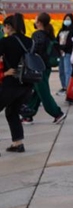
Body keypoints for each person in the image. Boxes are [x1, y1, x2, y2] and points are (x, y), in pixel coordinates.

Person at [0, 13, 35, 153]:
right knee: (12, 111)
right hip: (27, 84)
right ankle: (18, 143)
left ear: (8, 26)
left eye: (4, 27)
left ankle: (18, 143)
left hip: (10, 83)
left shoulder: (5, 42)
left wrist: (3, 73)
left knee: (11, 111)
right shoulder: (30, 41)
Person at [23, 12, 66, 124]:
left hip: (38, 67)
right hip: (46, 67)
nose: (34, 22)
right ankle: (28, 115)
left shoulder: (37, 35)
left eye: (36, 20)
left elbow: (34, 51)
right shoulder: (48, 34)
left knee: (43, 92)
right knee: (37, 92)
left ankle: (57, 113)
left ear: (40, 23)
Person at [55, 13, 73, 95]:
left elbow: (71, 42)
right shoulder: (61, 30)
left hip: (68, 53)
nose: (67, 21)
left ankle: (68, 87)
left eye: (68, 19)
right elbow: (57, 40)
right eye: (65, 19)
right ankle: (64, 87)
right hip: (60, 53)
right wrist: (59, 49)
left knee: (68, 71)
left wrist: (64, 49)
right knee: (61, 71)